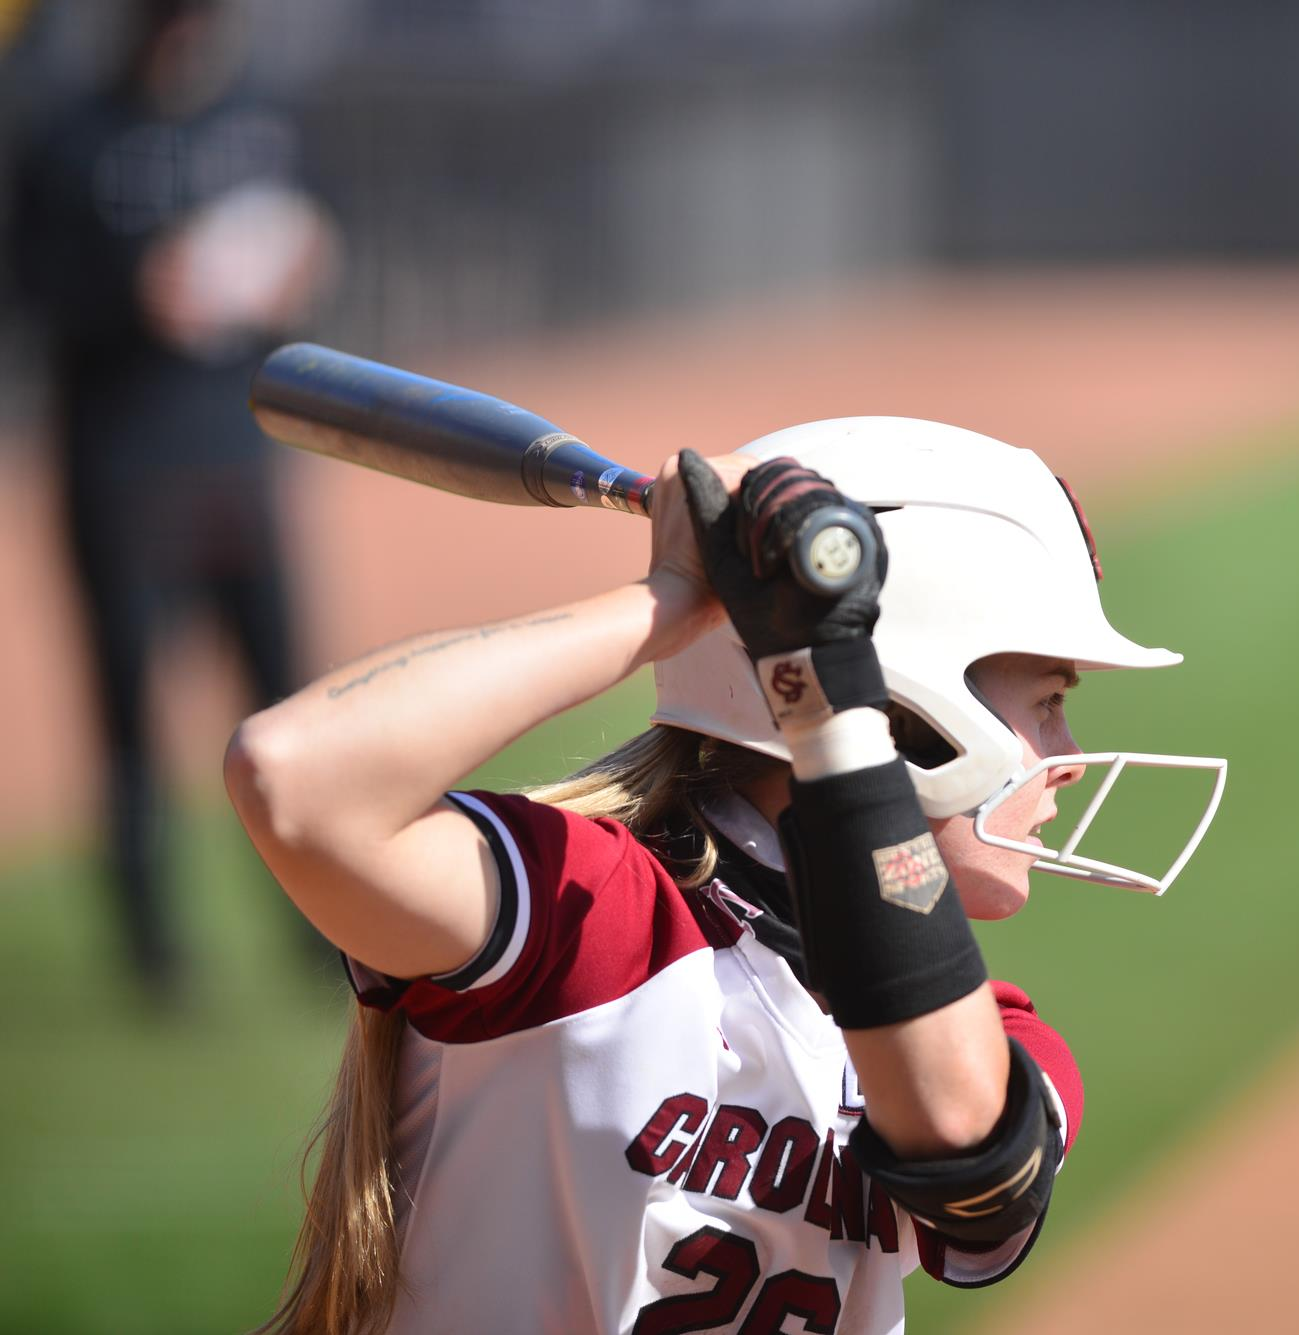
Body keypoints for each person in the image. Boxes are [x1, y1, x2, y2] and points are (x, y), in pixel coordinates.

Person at [226, 417, 1226, 1333]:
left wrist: (824, 707)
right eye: (1047, 701)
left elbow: (969, 1150)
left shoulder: (996, 1037)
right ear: (914, 708)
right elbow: (294, 779)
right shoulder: (590, 918)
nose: (1069, 753)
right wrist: (664, 606)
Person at [9, 0, 338, 1002]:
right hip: (119, 469)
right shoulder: (70, 141)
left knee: (288, 711)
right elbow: (30, 283)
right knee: (129, 718)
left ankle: (322, 928)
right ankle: (153, 956)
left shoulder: (264, 120)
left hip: (240, 459)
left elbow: (318, 234)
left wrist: (294, 272)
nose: (186, 35)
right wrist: (133, 291)